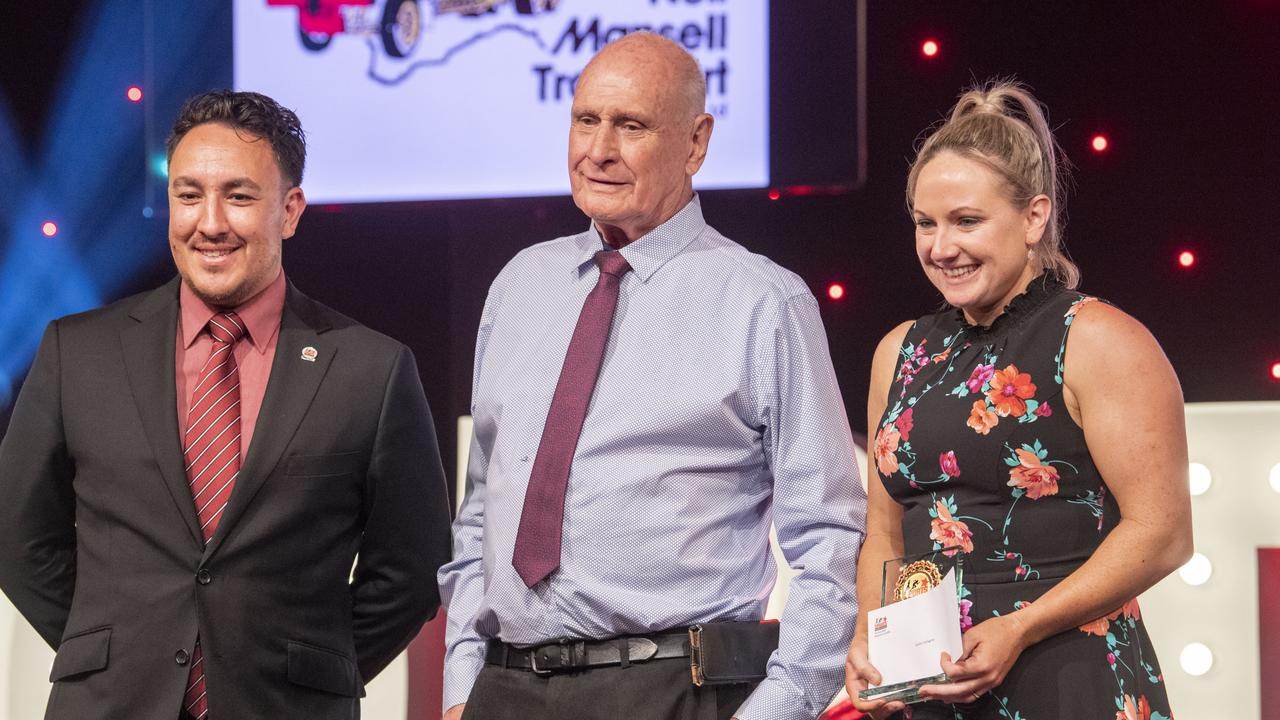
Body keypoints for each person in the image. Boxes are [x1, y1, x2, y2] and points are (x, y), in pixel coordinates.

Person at [438, 33, 866, 720]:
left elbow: (828, 536)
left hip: (674, 689)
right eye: (585, 120)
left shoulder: (764, 302)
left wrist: (780, 708)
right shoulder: (519, 286)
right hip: (505, 688)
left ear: (696, 143)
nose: (598, 150)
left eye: (630, 126)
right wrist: (463, 682)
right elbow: (482, 510)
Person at [0, 90, 452, 720]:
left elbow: (411, 566)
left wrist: (314, 666)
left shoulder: (371, 369)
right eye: (189, 195)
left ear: (290, 210)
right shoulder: (76, 354)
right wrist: (110, 647)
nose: (209, 222)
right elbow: (16, 535)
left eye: (238, 196)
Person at [844, 80, 1192, 719]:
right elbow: (885, 533)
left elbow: (1162, 534)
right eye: (926, 223)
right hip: (931, 688)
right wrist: (871, 639)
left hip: (1067, 676)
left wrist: (1021, 628)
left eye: (966, 221)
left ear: (1033, 217)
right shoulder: (899, 351)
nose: (941, 247)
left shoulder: (1098, 340)